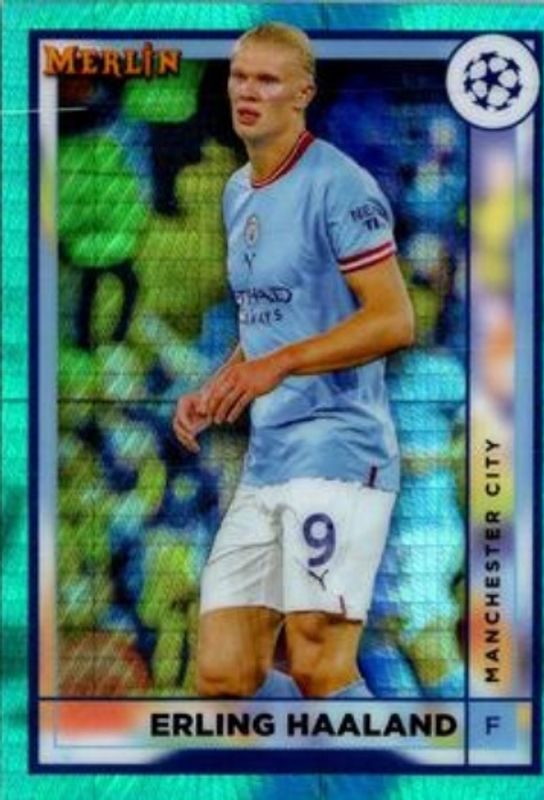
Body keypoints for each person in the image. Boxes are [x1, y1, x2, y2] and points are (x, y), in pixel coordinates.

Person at [173, 22, 414, 700]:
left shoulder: (341, 185)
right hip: (269, 457)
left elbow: (394, 320)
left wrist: (278, 366)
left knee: (316, 659)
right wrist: (219, 386)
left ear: (302, 93)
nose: (247, 92)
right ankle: (311, 755)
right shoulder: (237, 191)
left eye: (267, 80)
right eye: (239, 77)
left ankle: (379, 758)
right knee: (223, 673)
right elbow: (268, 320)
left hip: (341, 445)